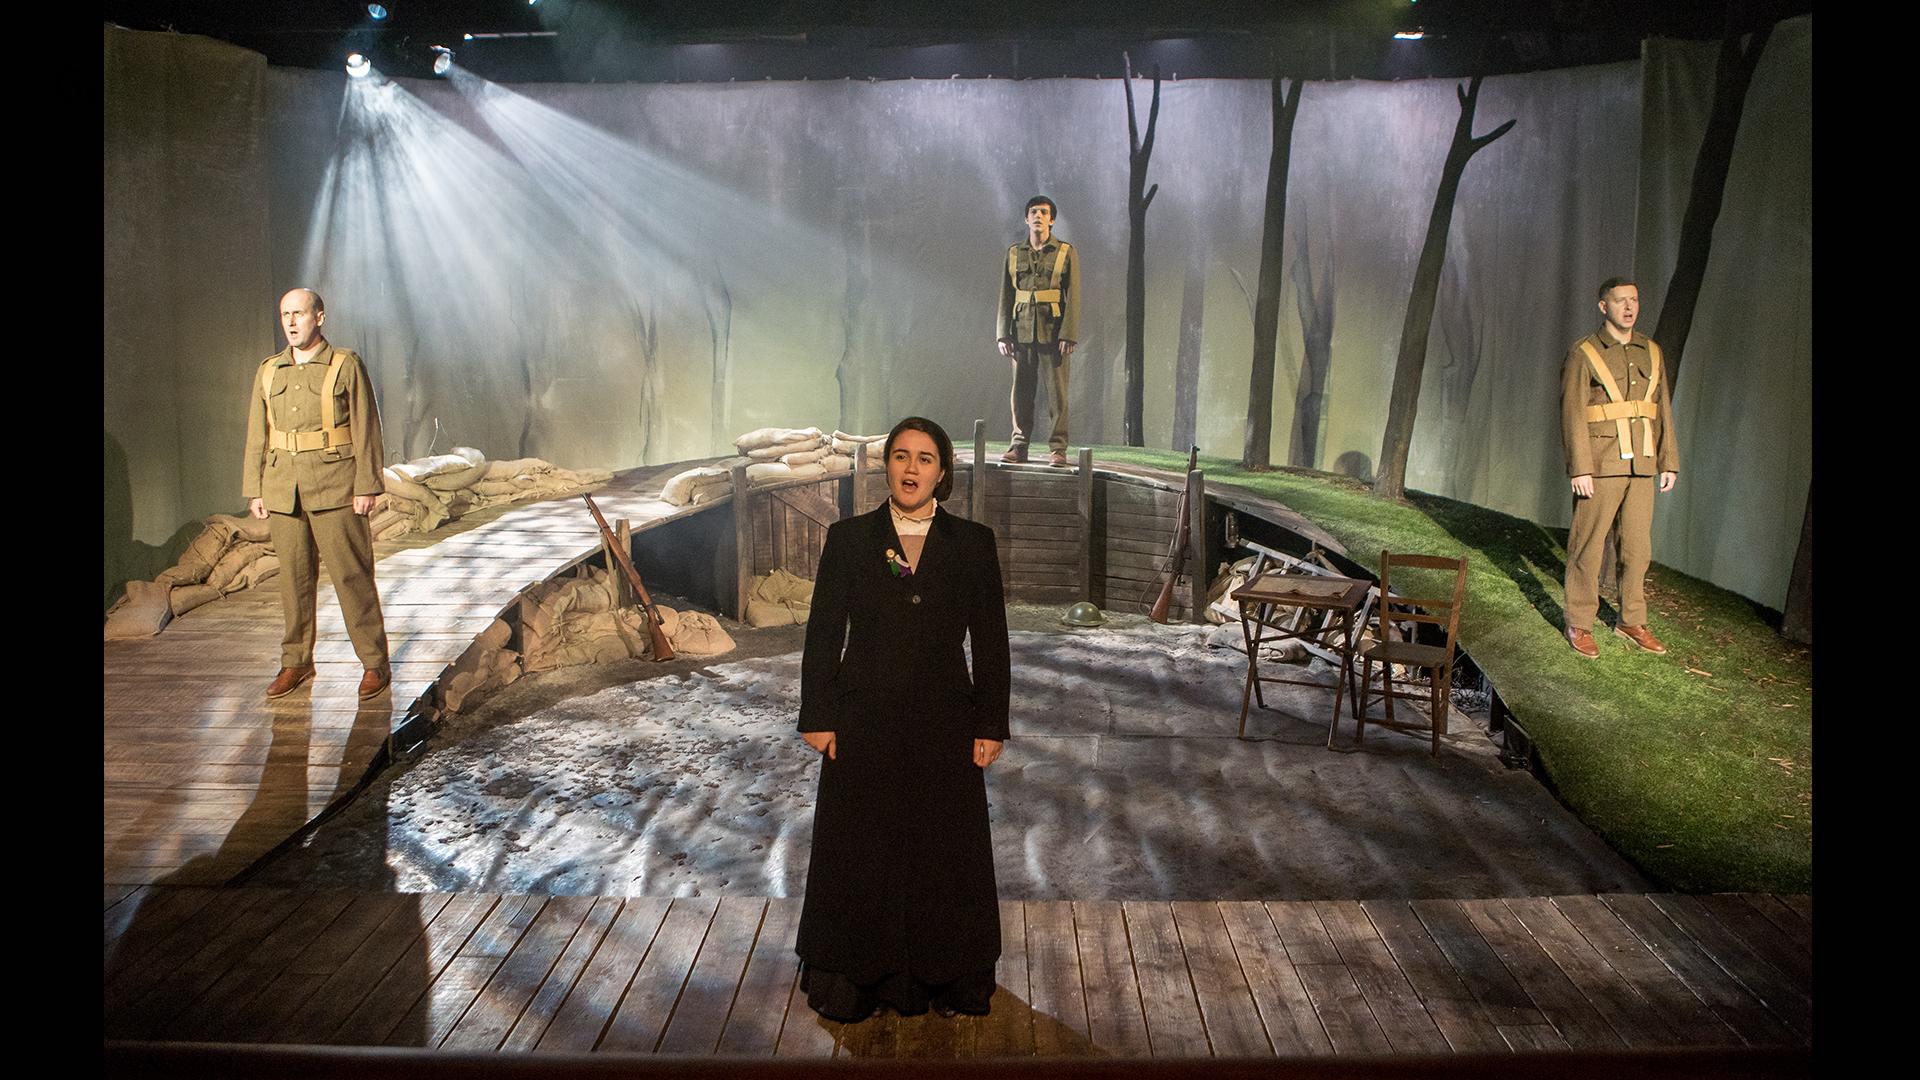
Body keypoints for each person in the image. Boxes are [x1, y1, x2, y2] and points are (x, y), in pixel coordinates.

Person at [795, 416, 1012, 1022]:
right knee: (861, 847)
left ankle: (948, 975)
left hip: (946, 723)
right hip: (862, 720)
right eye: (900, 456)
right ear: (886, 465)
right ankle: (855, 977)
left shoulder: (973, 544)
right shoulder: (849, 539)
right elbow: (822, 636)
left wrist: (990, 723)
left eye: (924, 459)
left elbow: (991, 643)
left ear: (943, 473)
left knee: (943, 849)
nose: (910, 469)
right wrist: (818, 714)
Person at [241, 288, 393, 699]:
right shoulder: (270, 370)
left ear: (319, 317)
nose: (291, 323)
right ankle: (296, 661)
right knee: (293, 580)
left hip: (336, 486)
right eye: (285, 315)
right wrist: (254, 488)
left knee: (351, 576)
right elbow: (259, 433)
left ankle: (375, 663)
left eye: (300, 314)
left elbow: (366, 427)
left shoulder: (344, 365)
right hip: (283, 488)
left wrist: (367, 485)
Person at [1561, 277, 1679, 659]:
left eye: (1634, 300)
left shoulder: (1652, 352)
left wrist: (1668, 461)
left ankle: (1631, 620)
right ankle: (1579, 623)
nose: (1629, 307)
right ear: (1603, 306)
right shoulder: (1585, 352)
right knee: (1588, 547)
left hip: (1643, 463)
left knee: (1637, 549)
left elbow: (1662, 410)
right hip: (1600, 464)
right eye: (1620, 300)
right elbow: (1572, 413)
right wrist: (1580, 468)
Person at [996, 195, 1081, 468]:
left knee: (1057, 395)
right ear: (1026, 218)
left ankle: (1058, 449)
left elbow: (1074, 295)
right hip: (1021, 333)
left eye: (1044, 212)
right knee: (1021, 393)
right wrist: (1002, 333)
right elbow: (1006, 295)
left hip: (1053, 332)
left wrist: (1068, 333)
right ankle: (1019, 445)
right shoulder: (1013, 253)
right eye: (1033, 211)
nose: (1038, 216)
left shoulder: (1065, 252)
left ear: (1052, 220)